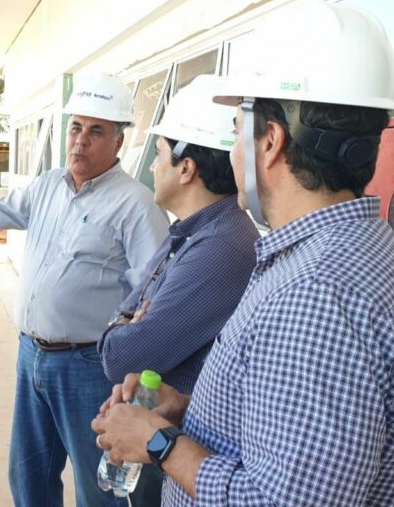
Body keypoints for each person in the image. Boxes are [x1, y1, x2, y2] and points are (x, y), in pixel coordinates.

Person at [92, 1, 394, 506]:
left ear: (271, 141)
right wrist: (187, 411)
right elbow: (293, 437)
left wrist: (160, 443)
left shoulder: (318, 295)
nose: (232, 152)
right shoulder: (354, 250)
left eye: (236, 130)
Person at [0, 72, 169, 506]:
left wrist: (133, 371)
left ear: (119, 141)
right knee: (28, 476)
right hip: (30, 357)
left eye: (97, 131)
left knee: (100, 488)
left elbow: (151, 297)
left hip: (89, 366)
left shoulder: (135, 205)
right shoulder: (47, 186)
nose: (81, 140)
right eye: (76, 127)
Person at [98, 75, 260, 506]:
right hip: (164, 426)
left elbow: (121, 355)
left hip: (181, 450)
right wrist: (129, 324)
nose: (152, 166)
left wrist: (124, 325)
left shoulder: (221, 247)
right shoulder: (191, 233)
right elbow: (129, 329)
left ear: (186, 167)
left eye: (159, 155)